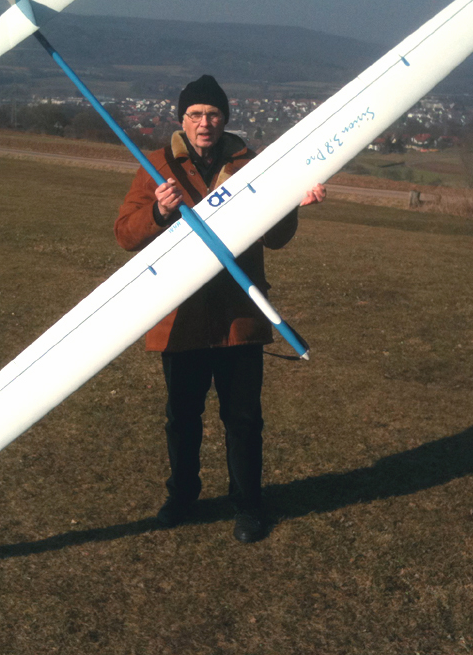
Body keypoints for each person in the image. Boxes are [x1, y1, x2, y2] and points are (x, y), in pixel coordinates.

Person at [114, 75, 325, 543]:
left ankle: (248, 505)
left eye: (212, 114)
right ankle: (182, 496)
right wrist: (159, 213)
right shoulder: (156, 167)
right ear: (181, 120)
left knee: (244, 419)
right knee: (182, 418)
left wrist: (292, 204)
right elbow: (126, 234)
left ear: (224, 119)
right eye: (195, 115)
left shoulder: (255, 166)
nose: (204, 123)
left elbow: (277, 238)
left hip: (239, 316)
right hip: (181, 319)